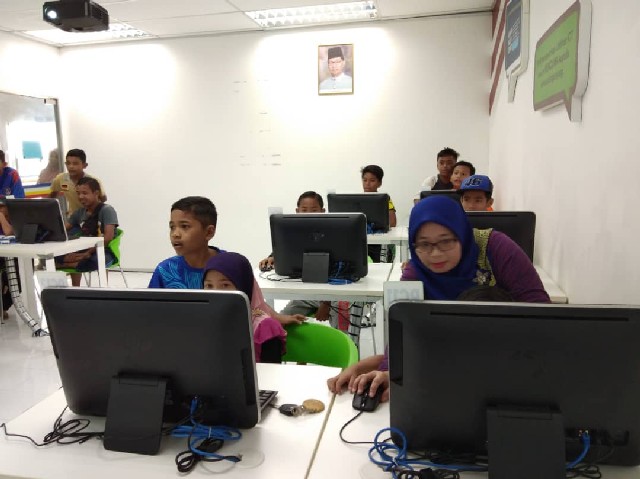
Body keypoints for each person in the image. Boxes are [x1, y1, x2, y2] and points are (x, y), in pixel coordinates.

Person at [327, 195, 550, 402]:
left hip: (507, 362)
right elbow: (402, 331)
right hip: (446, 366)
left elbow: (542, 315)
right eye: (424, 244)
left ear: (461, 234)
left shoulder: (496, 248)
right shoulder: (415, 273)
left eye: (446, 241)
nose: (435, 254)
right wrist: (389, 371)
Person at [149, 196, 303, 326]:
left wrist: (278, 317)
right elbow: (149, 311)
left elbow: (254, 301)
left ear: (209, 232)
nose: (175, 234)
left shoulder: (230, 265)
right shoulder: (165, 270)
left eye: (184, 226)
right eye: (172, 227)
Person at [258, 191, 336, 324]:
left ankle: (345, 338)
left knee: (341, 317)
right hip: (306, 295)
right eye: (304, 210)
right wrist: (273, 257)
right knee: (280, 321)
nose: (308, 214)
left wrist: (326, 302)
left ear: (323, 211)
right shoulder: (293, 233)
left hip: (333, 296)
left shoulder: (332, 232)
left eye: (314, 210)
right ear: (297, 211)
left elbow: (337, 270)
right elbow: (286, 249)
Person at [203, 252, 286, 363]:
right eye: (209, 286)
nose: (216, 293)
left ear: (243, 286)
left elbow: (271, 370)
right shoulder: (203, 323)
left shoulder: (264, 327)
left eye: (225, 285)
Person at [55, 177, 118, 287]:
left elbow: (108, 238)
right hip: (84, 251)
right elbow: (62, 231)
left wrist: (87, 253)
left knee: (97, 261)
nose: (80, 197)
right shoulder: (79, 213)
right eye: (78, 193)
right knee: (54, 256)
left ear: (96, 193)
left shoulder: (107, 210)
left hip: (104, 250)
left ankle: (67, 264)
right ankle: (74, 266)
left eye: (85, 193)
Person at [50, 149, 107, 217]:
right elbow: (52, 195)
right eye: (68, 163)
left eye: (75, 163)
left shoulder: (93, 181)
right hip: (73, 217)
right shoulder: (60, 179)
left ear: (84, 165)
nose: (71, 166)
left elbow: (103, 198)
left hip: (91, 217)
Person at [361, 164, 396, 263]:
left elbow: (392, 222)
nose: (367, 184)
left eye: (372, 180)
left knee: (382, 265)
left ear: (379, 183)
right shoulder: (355, 200)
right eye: (365, 180)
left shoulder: (385, 199)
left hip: (381, 241)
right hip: (362, 240)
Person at [0, 200, 16, 319]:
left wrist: (2, 217)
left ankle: (3, 307)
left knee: (15, 277)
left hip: (11, 255)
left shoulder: (13, 221)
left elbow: (9, 232)